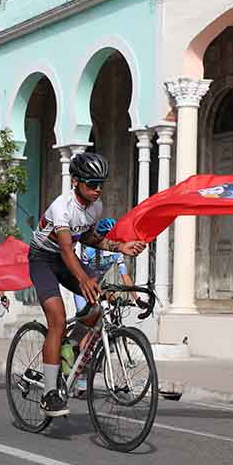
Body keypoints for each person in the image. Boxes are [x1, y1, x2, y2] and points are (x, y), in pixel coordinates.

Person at [27, 152, 146, 417]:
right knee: (57, 319)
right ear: (76, 182)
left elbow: (90, 238)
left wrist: (119, 246)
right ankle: (48, 395)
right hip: (43, 260)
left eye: (101, 183)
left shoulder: (96, 206)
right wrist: (83, 278)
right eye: (92, 183)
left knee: (98, 302)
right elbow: (68, 248)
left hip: (66, 259)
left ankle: (68, 349)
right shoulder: (62, 207)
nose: (97, 189)